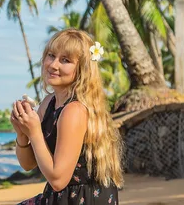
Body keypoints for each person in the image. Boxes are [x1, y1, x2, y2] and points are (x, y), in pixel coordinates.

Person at [10, 29, 123, 205]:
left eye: (65, 60)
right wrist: (22, 133)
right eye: (51, 55)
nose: (53, 65)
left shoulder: (74, 111)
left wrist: (34, 132)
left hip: (82, 198)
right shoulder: (49, 103)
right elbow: (28, 164)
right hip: (59, 196)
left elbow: (58, 180)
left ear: (82, 69)